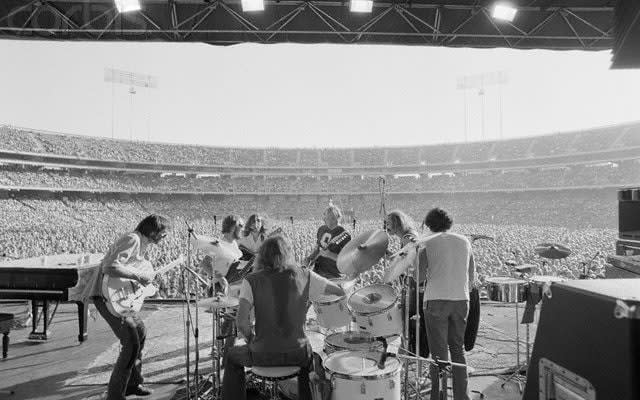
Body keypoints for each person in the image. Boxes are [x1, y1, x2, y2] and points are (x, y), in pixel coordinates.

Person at [222, 235, 345, 400]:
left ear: (262, 256)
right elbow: (338, 290)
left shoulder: (251, 280)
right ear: (288, 254)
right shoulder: (305, 274)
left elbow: (241, 322)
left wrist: (252, 340)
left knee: (231, 356)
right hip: (297, 353)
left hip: (262, 354)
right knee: (309, 362)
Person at [89, 214, 171, 400]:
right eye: (163, 233)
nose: (165, 238)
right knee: (131, 343)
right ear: (152, 231)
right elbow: (109, 267)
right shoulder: (132, 239)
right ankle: (115, 395)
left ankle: (132, 384)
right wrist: (139, 277)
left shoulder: (141, 244)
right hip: (107, 298)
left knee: (140, 332)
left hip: (119, 297)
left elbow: (126, 273)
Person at [420, 208, 476, 400]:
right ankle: (462, 397)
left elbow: (418, 277)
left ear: (429, 225)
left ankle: (439, 397)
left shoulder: (426, 243)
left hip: (436, 301)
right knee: (458, 351)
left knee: (439, 355)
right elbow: (472, 277)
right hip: (461, 300)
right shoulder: (465, 241)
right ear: (449, 223)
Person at [385, 209, 429, 358]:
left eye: (389, 223)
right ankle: (407, 352)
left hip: (414, 287)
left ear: (397, 223)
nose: (386, 226)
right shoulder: (406, 236)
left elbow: (409, 258)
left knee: (404, 322)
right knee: (405, 321)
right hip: (415, 285)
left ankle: (405, 353)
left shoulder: (408, 237)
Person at [308, 205, 351, 279]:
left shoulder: (344, 235)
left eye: (333, 219)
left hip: (334, 275)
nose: (329, 221)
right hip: (317, 272)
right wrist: (309, 259)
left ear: (338, 218)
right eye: (327, 218)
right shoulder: (321, 229)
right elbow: (317, 249)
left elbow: (346, 260)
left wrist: (330, 254)